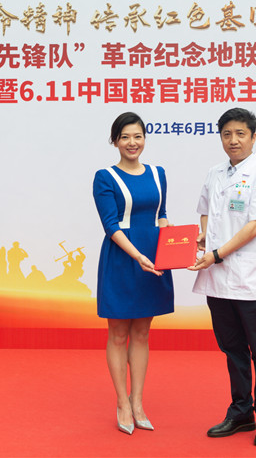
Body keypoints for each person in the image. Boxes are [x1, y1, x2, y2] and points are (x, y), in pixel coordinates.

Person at [189, 107, 256, 447]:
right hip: (218, 279)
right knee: (232, 349)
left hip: (249, 278)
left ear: (253, 137)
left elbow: (255, 225)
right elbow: (205, 211)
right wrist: (203, 236)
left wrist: (216, 253)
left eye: (240, 134)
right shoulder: (215, 173)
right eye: (227, 134)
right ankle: (241, 411)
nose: (233, 140)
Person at [92, 112, 173, 435]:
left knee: (141, 333)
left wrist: (171, 245)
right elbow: (110, 225)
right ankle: (122, 402)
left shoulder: (158, 173)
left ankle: (137, 402)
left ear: (144, 139)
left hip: (153, 260)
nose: (132, 143)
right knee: (118, 334)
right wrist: (138, 255)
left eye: (137, 136)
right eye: (125, 137)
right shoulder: (105, 177)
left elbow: (161, 215)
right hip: (123, 259)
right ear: (115, 141)